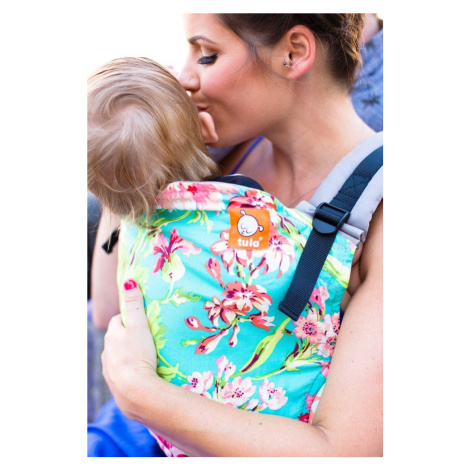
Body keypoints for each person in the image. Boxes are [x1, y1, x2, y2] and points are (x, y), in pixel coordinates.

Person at [91, 13, 383, 457]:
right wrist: (148, 162)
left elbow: (343, 452)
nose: (184, 77)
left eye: (206, 55)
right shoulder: (222, 149)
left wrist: (141, 393)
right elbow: (107, 308)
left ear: (294, 53)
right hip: (127, 436)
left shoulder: (382, 211)